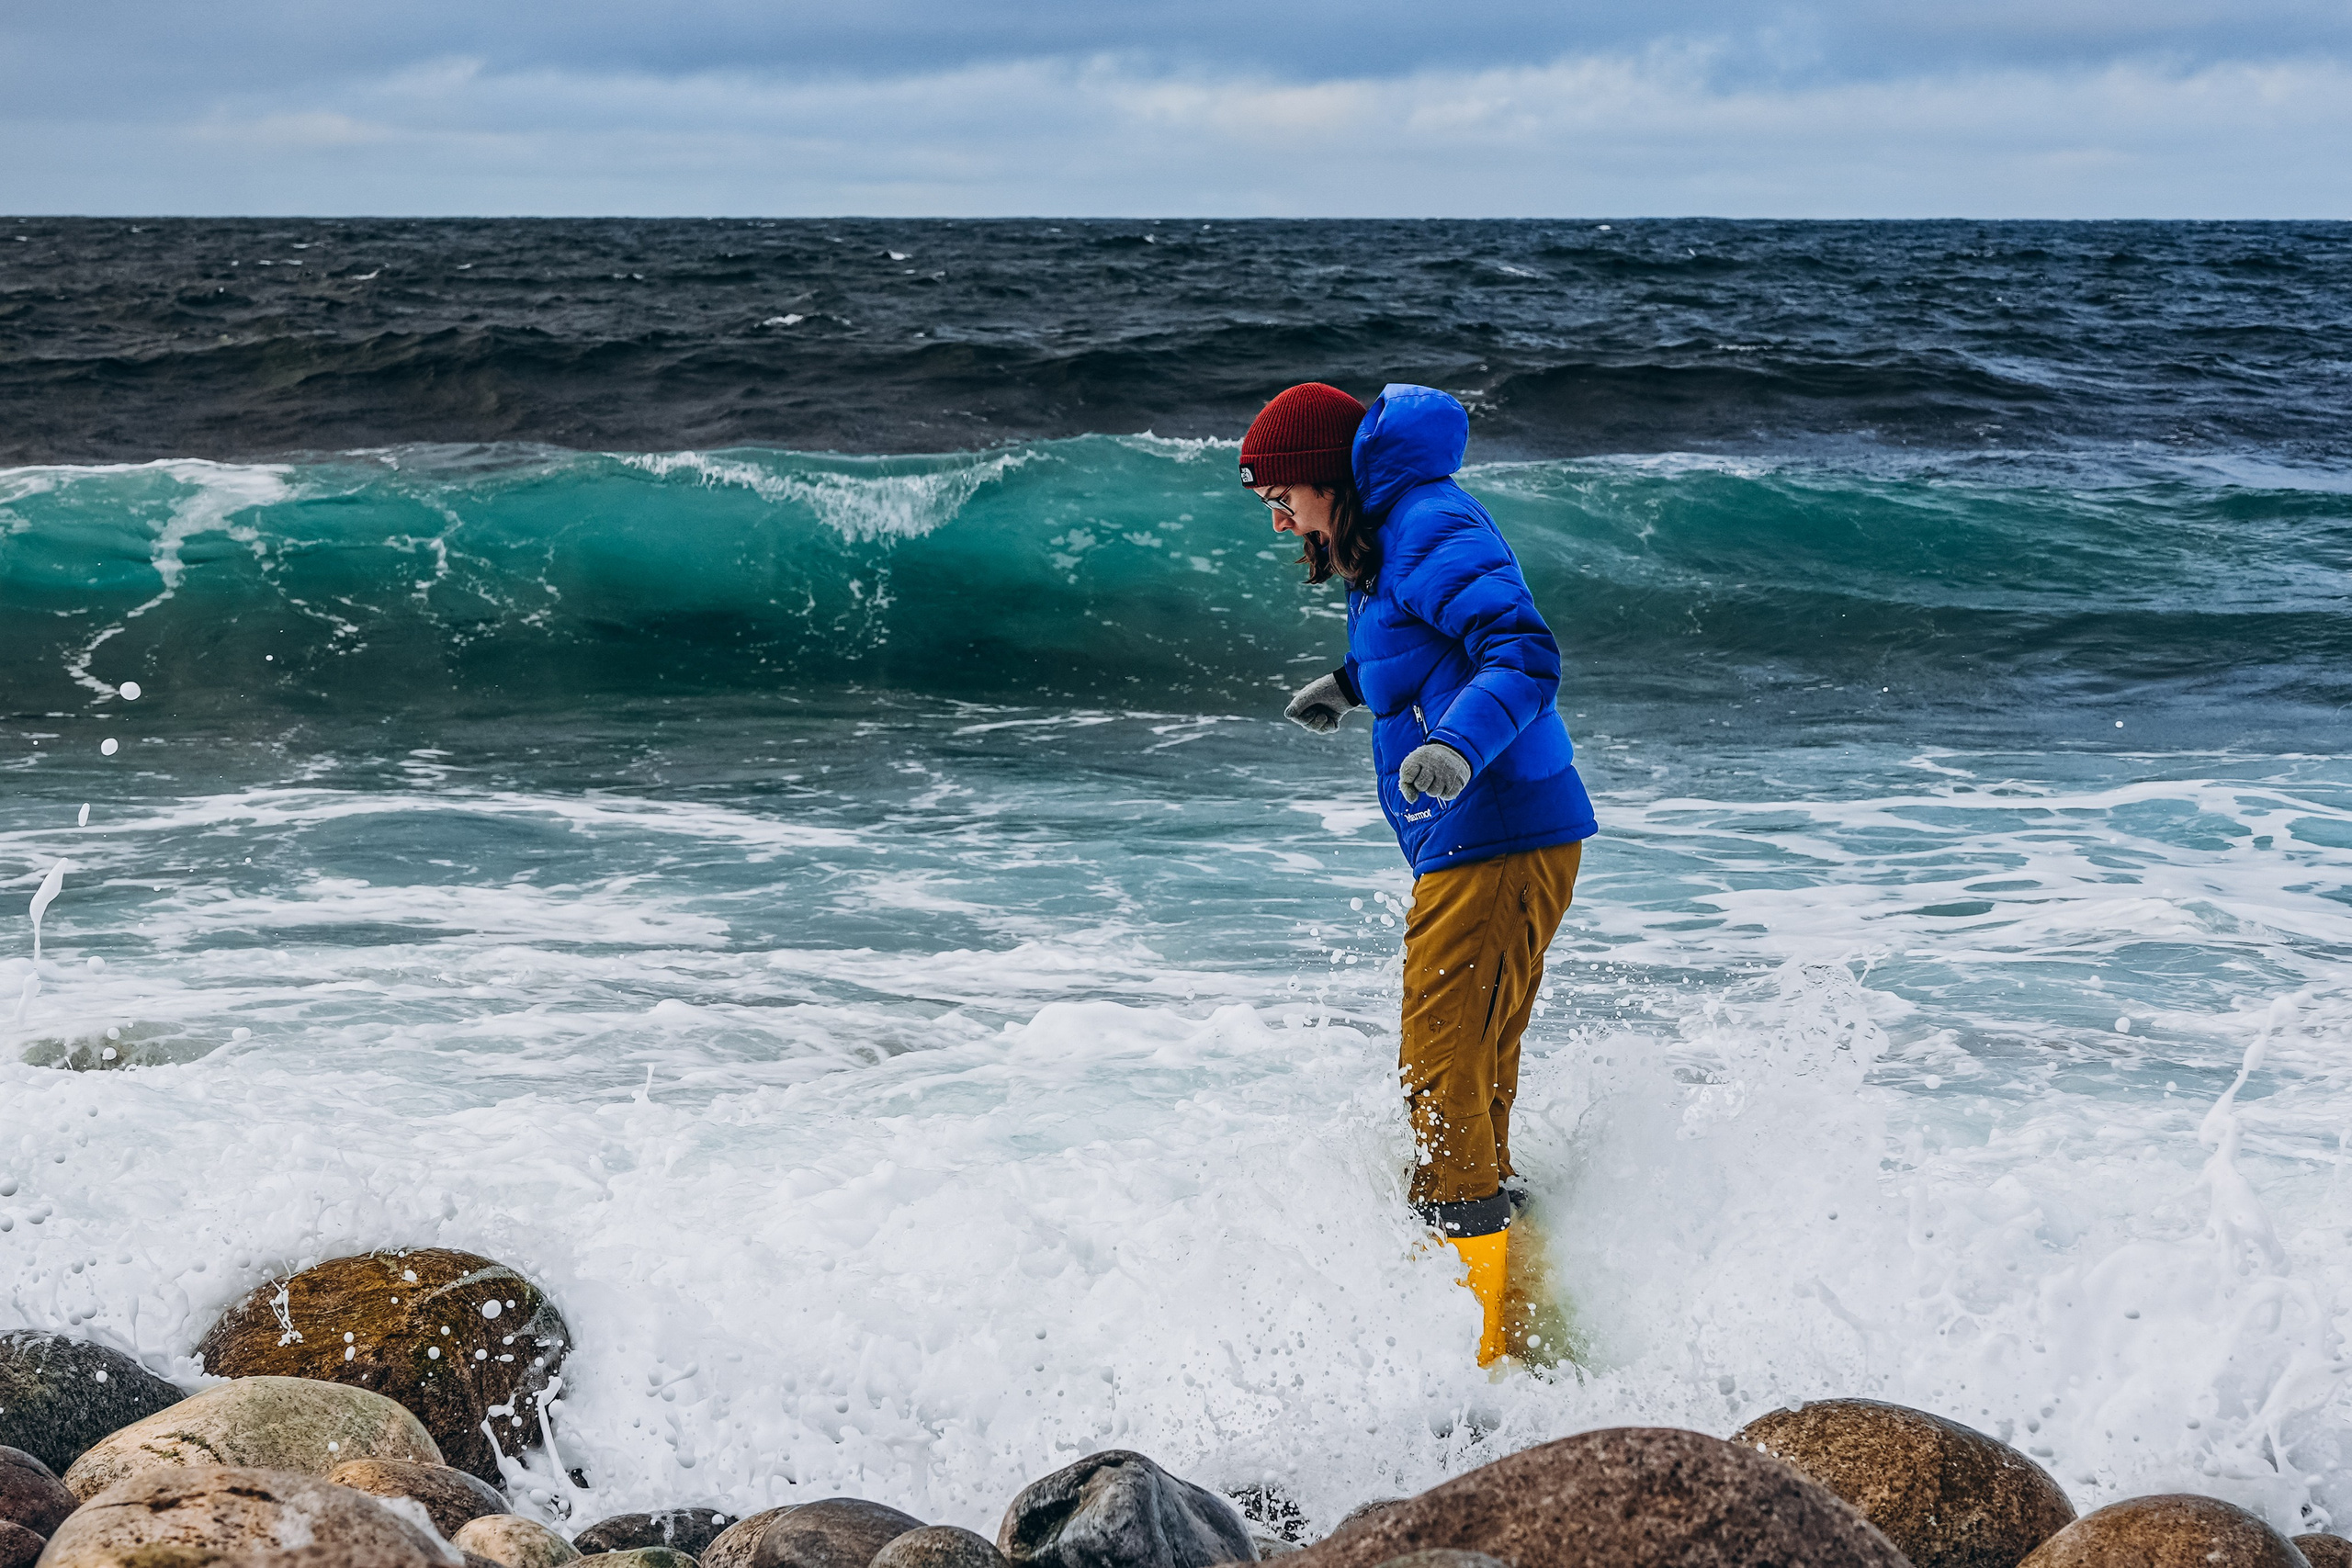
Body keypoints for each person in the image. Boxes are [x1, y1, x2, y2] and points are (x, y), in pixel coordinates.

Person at [1241, 381, 1597, 1367]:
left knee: (1440, 1071)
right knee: (1469, 1069)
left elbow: (1520, 654)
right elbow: (1420, 637)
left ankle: (1480, 1345)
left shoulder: (1426, 517)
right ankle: (1522, 1321)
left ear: (1327, 475)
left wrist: (1454, 749)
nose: (1277, 516)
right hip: (1489, 831)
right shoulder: (1387, 529)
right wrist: (1350, 687)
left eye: (1281, 494)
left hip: (1498, 823)